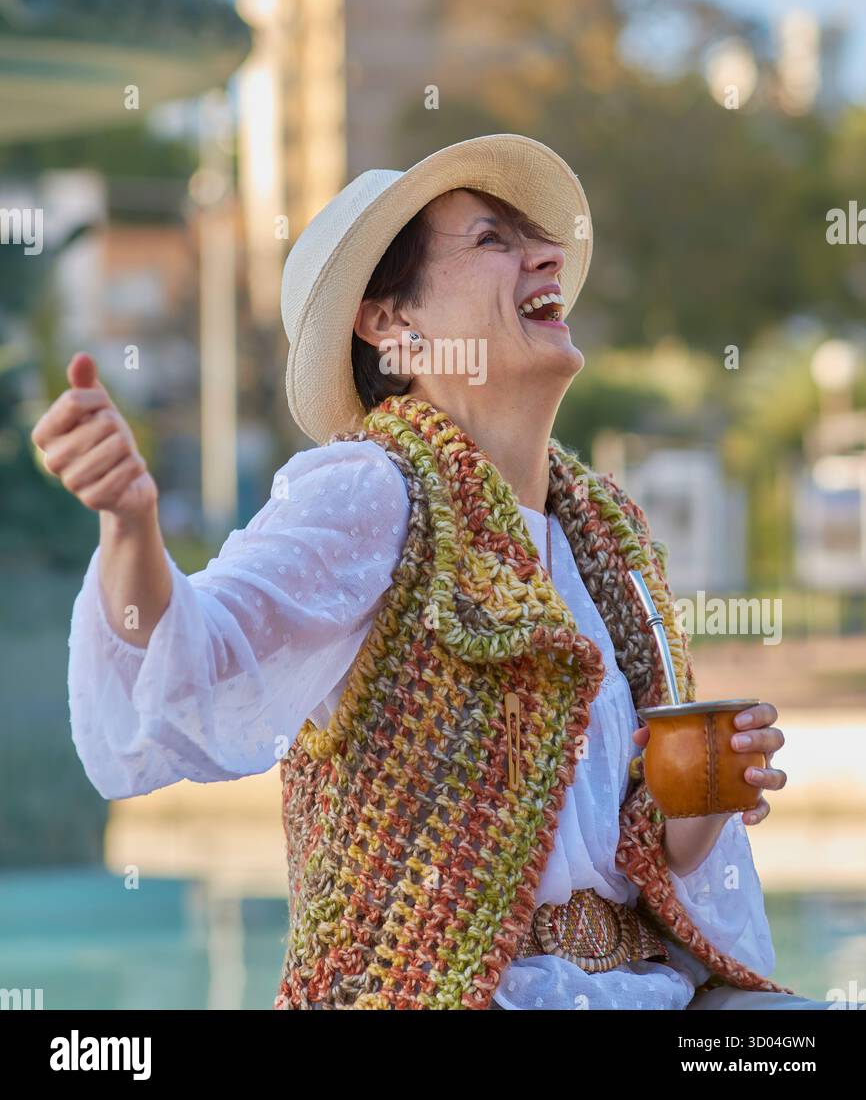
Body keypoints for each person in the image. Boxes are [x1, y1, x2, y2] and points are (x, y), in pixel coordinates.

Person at [33, 133, 830, 1010]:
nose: (546, 255)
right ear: (389, 322)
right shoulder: (374, 490)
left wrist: (709, 797)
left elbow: (644, 846)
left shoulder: (608, 534)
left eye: (539, 239)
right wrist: (131, 526)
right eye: (492, 240)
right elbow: (191, 664)